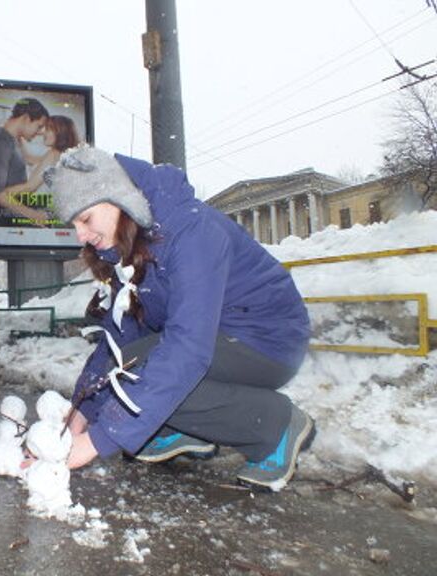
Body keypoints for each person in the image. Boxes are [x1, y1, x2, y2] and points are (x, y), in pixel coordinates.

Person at [46, 145, 314, 492]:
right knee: (133, 365)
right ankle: (190, 432)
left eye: (84, 219)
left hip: (268, 340)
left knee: (144, 368)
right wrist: (81, 410)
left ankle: (275, 425)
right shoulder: (129, 249)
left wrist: (98, 441)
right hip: (219, 340)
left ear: (117, 200)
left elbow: (187, 346)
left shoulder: (190, 230)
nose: (80, 235)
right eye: (73, 224)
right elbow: (121, 338)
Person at [0, 115, 80, 226]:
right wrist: (19, 136)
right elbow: (30, 159)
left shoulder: (53, 154)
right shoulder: (60, 154)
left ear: (60, 133)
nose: (43, 132)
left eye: (48, 129)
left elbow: (29, 187)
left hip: (40, 211)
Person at [0, 97, 49, 225]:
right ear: (25, 118)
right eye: (39, 126)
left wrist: (58, 156)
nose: (40, 132)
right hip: (1, 220)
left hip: (14, 210)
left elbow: (29, 159)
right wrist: (33, 215)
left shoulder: (15, 138)